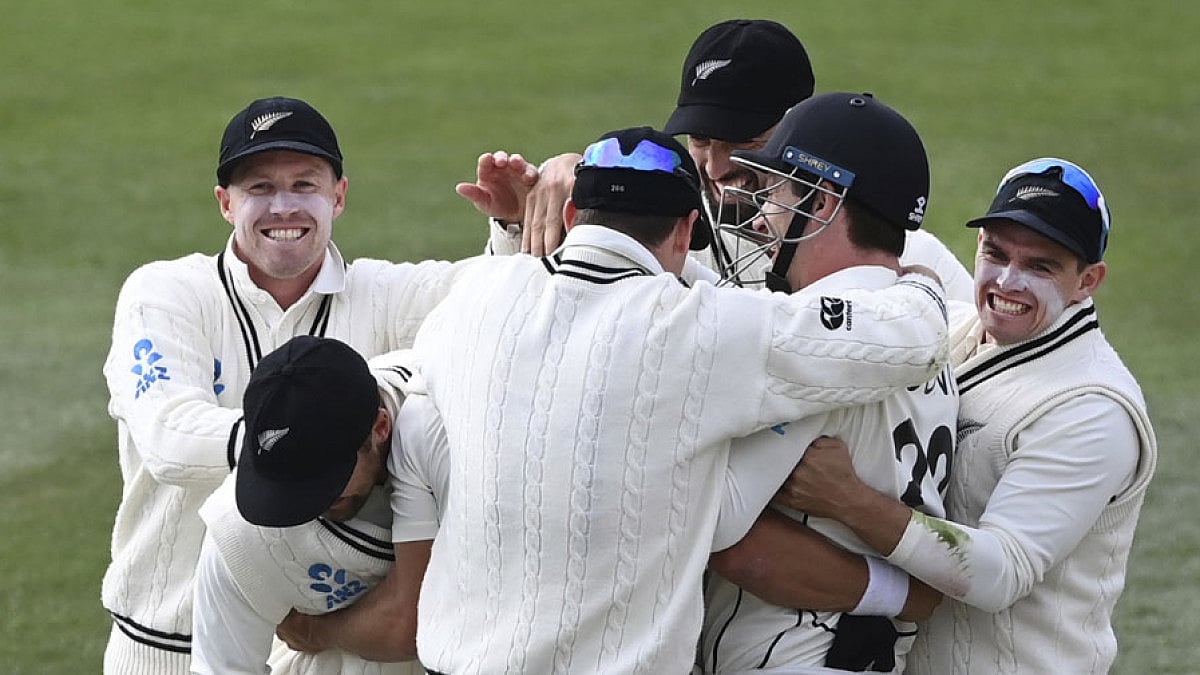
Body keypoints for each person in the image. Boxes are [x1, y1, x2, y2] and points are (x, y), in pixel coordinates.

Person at [407, 125, 950, 674]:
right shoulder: (701, 329)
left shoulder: (472, 299)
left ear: (571, 217)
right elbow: (915, 341)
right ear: (687, 230)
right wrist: (923, 280)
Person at [100, 96, 494, 674]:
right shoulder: (165, 293)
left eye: (304, 184)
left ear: (338, 195)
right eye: (259, 187)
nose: (283, 205)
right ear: (225, 202)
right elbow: (167, 438)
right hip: (163, 648)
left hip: (323, 650)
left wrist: (514, 229)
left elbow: (496, 302)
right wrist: (311, 439)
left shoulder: (384, 294)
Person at [771, 158, 1158, 674]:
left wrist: (847, 499)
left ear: (1088, 280)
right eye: (995, 253)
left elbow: (1002, 573)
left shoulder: (1093, 409)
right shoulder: (952, 328)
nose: (1008, 281)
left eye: (1040, 266)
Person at [689, 91, 959, 674]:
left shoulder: (825, 354)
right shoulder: (912, 325)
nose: (759, 217)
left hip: (794, 657)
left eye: (776, 192)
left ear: (824, 201)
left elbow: (725, 529)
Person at [464, 19, 974, 301]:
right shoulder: (660, 228)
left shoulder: (893, 251)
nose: (714, 167)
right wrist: (520, 224)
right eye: (702, 140)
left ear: (800, 129)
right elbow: (531, 314)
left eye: (745, 141)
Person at [191, 335, 424, 675]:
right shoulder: (238, 534)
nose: (310, 504)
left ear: (380, 428)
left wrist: (316, 631)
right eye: (292, 488)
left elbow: (412, 621)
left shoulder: (444, 421)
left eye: (323, 481)